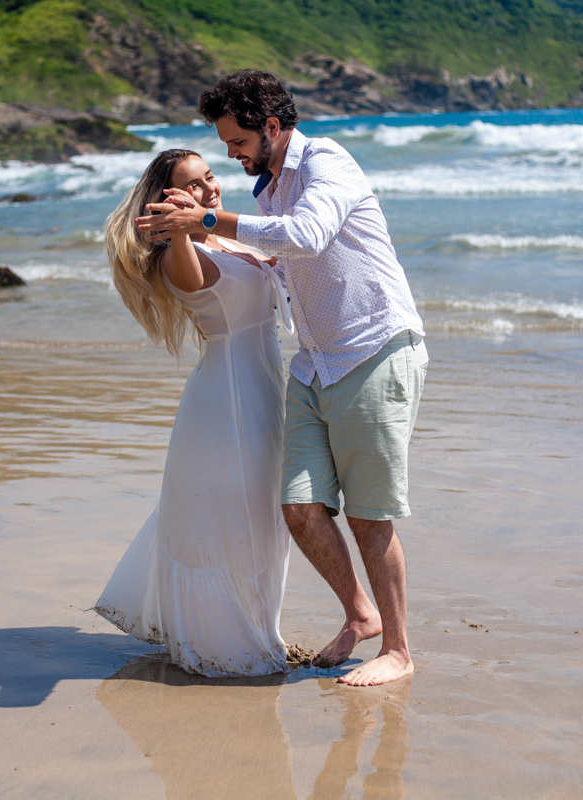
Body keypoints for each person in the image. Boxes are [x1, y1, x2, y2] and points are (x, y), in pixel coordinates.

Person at [136, 70, 428, 687]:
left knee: (369, 516)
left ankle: (399, 650)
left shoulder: (327, 164)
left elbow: (305, 237)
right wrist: (184, 228)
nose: (231, 157)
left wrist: (207, 223)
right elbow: (265, 260)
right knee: (300, 509)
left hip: (372, 348)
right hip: (314, 363)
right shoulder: (266, 188)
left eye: (237, 143)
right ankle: (361, 616)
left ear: (271, 126)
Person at [95, 148, 294, 677]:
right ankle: (227, 646)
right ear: (167, 202)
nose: (210, 189)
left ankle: (258, 629)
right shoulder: (179, 255)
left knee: (264, 519)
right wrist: (179, 225)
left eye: (210, 177)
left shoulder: (225, 237)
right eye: (193, 186)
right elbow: (186, 260)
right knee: (235, 520)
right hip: (227, 402)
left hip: (263, 389)